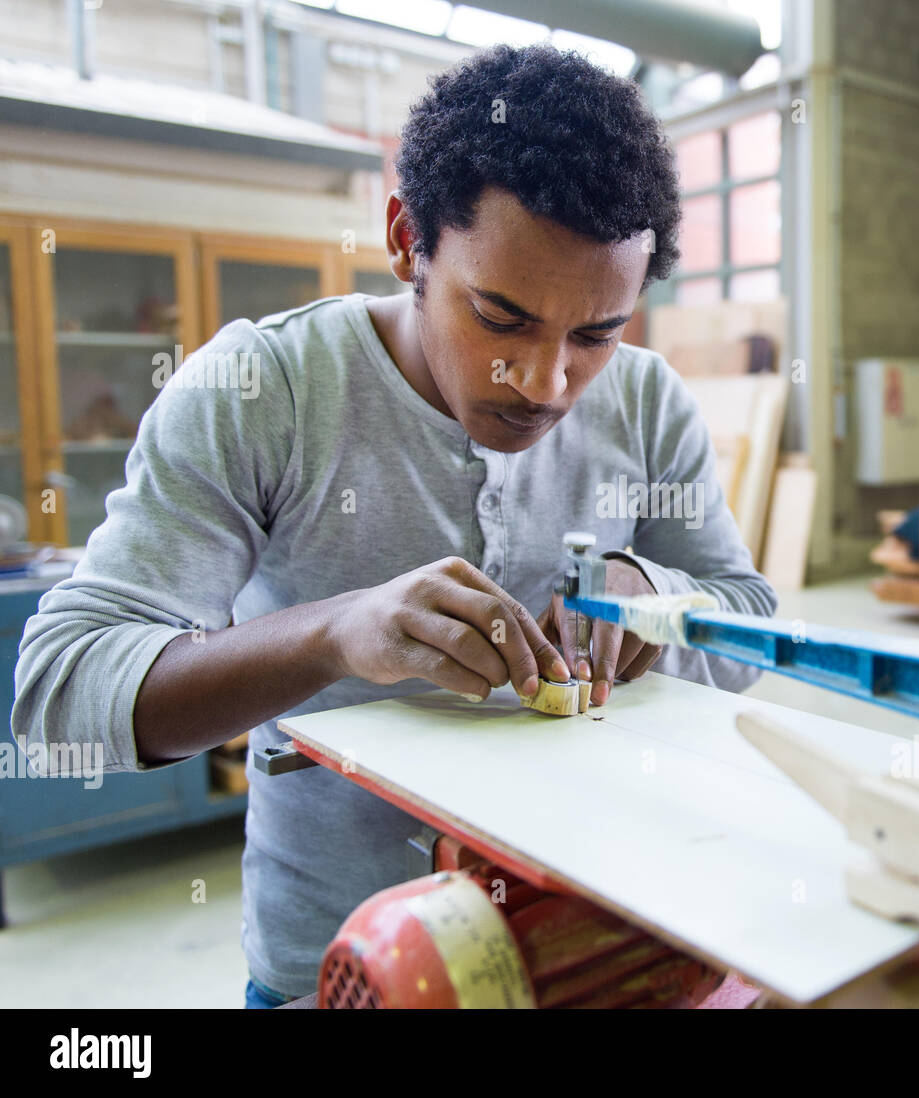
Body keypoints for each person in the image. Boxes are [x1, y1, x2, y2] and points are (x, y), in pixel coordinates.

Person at [13, 44, 776, 1005]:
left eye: (596, 335)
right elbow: (61, 691)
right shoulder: (266, 392)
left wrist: (654, 601)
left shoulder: (650, 405)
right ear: (407, 238)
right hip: (347, 971)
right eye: (500, 317)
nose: (545, 385)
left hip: (595, 948)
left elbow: (750, 617)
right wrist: (337, 634)